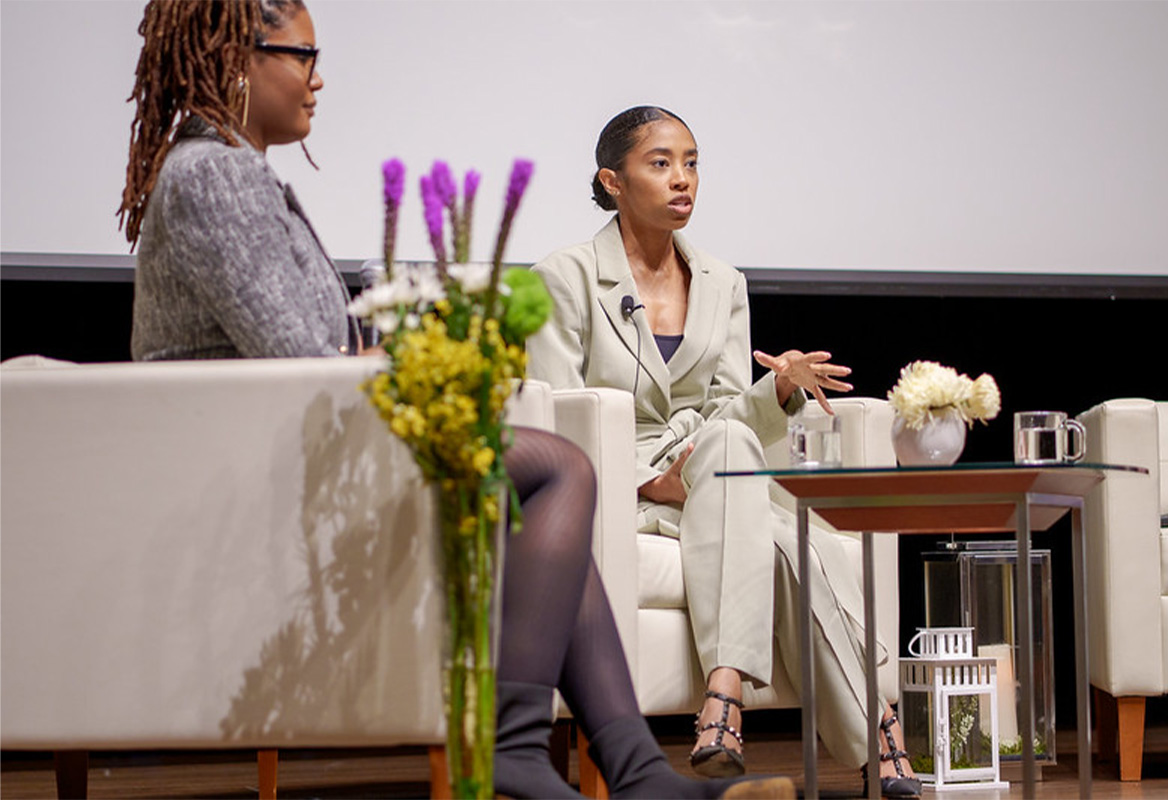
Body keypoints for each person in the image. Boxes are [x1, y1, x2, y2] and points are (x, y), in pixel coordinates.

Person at [118, 4, 794, 799]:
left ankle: (636, 773)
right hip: (260, 476)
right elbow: (304, 360)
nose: (318, 75)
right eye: (303, 54)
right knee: (561, 470)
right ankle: (531, 752)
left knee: (543, 491)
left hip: (292, 450)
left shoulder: (221, 169)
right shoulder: (216, 175)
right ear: (238, 55)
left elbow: (312, 350)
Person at [527, 105, 923, 799]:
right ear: (612, 181)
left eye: (692, 162)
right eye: (661, 163)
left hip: (718, 471)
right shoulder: (564, 277)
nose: (683, 180)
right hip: (626, 490)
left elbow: (726, 416)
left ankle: (723, 695)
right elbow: (558, 418)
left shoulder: (722, 283)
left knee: (756, 468)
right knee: (795, 539)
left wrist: (780, 390)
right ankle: (876, 729)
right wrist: (652, 483)